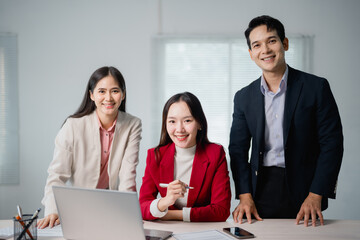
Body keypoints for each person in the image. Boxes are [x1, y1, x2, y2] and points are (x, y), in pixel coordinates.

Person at [229, 15, 343, 227]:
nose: (265, 50)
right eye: (257, 45)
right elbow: (237, 149)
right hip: (259, 189)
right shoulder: (243, 97)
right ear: (251, 53)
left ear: (285, 43)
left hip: (305, 190)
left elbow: (332, 145)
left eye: (272, 41)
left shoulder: (316, 88)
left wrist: (316, 194)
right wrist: (244, 195)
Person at [38, 66, 142, 228]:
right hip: (80, 207)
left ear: (123, 94)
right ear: (91, 95)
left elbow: (128, 174)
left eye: (114, 91)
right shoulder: (72, 125)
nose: (108, 98)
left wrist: (129, 215)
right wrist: (53, 210)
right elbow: (57, 175)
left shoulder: (132, 124)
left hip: (112, 207)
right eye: (101, 91)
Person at [139, 92, 231, 222]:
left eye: (187, 120)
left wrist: (170, 215)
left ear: (199, 123)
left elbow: (221, 210)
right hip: (168, 231)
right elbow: (142, 208)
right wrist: (165, 201)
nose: (179, 129)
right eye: (172, 121)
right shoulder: (155, 156)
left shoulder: (216, 153)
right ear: (165, 124)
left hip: (202, 231)